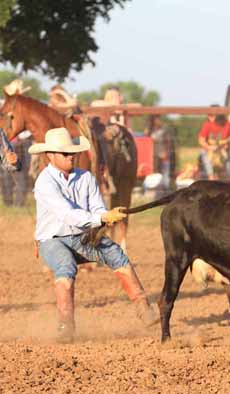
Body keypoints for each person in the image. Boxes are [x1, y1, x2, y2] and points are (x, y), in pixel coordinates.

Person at [29, 127, 159, 343]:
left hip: (81, 236)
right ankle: (65, 327)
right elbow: (67, 214)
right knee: (65, 265)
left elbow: (97, 208)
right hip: (52, 239)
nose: (71, 156)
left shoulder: (86, 178)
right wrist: (102, 219)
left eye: (73, 152)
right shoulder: (44, 182)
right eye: (65, 153)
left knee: (115, 252)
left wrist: (106, 215)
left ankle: (144, 309)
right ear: (50, 155)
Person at [197, 105, 230, 180]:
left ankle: (228, 177)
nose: (209, 116)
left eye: (212, 115)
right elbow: (201, 140)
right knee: (204, 153)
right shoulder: (207, 124)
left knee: (227, 157)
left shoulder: (228, 124)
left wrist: (226, 143)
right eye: (209, 115)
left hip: (223, 150)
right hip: (210, 150)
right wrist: (209, 147)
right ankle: (211, 177)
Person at [145, 115, 176, 198]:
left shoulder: (164, 130)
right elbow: (146, 138)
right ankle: (157, 194)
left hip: (163, 155)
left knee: (165, 175)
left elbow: (169, 143)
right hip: (154, 157)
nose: (159, 121)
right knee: (156, 175)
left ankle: (166, 194)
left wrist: (166, 153)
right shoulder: (151, 130)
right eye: (156, 120)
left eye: (159, 119)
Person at [0, 131, 32, 206]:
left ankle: (19, 204)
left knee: (21, 183)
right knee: (7, 182)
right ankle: (8, 203)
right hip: (7, 157)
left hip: (19, 162)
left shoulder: (25, 141)